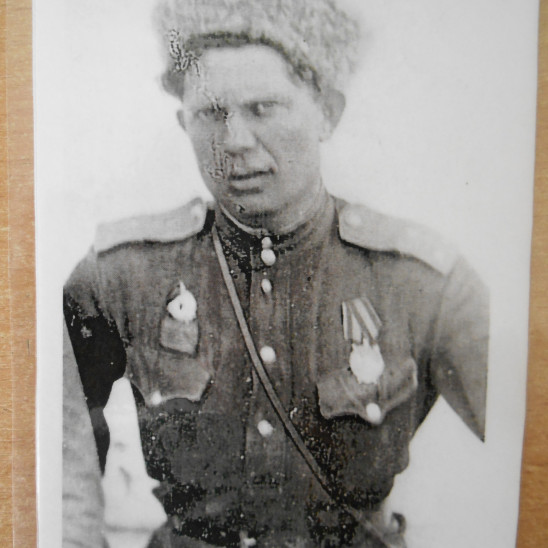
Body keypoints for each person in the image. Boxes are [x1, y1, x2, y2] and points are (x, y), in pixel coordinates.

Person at [63, 0, 489, 546]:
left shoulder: (423, 283)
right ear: (183, 122)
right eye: (211, 114)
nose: (235, 141)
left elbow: (524, 442)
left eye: (263, 108)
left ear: (327, 113)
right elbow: (54, 461)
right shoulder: (122, 277)